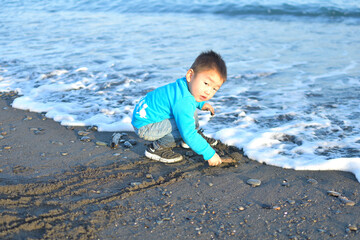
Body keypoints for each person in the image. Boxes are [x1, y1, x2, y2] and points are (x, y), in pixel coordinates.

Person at [131, 50, 227, 166]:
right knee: (183, 124)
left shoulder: (183, 86)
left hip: (144, 116)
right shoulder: (184, 101)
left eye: (214, 89)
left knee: (187, 112)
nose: (208, 92)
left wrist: (201, 104)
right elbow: (188, 131)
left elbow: (184, 100)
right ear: (190, 75)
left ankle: (190, 140)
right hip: (145, 126)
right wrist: (209, 154)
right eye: (206, 83)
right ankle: (156, 149)